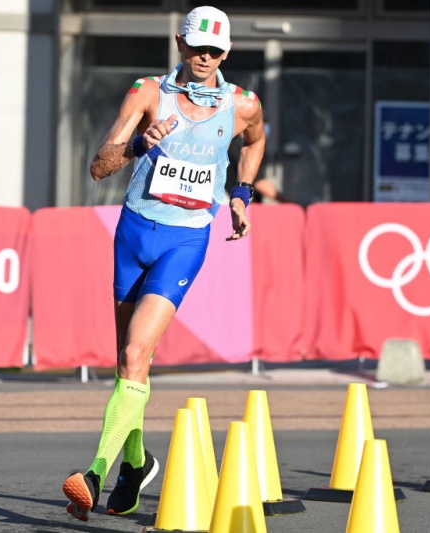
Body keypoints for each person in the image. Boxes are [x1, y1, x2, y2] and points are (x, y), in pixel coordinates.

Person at [62, 5, 265, 522]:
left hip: (185, 240)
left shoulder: (242, 104)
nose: (205, 57)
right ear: (180, 43)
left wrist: (241, 194)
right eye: (197, 47)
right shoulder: (147, 92)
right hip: (133, 233)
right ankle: (136, 464)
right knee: (129, 363)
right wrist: (138, 143)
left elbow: (256, 141)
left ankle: (95, 473)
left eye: (215, 50)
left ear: (227, 52)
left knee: (136, 351)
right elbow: (98, 167)